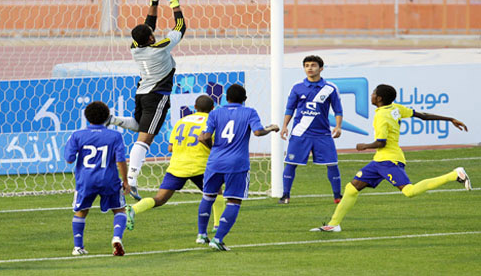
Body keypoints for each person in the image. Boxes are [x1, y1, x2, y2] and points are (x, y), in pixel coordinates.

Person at [311, 84, 471, 232]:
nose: (371, 95)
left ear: (379, 99)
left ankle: (455, 174)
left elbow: (381, 142)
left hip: (389, 161)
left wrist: (365, 146)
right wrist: (449, 119)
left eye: (373, 93)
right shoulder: (394, 108)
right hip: (380, 161)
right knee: (352, 188)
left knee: (409, 191)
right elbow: (422, 115)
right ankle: (334, 224)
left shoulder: (382, 116)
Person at [105, 0, 186, 201]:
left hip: (141, 93)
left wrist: (153, 1)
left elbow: (147, 25)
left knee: (141, 127)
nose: (153, 31)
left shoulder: (135, 47)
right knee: (144, 140)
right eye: (151, 33)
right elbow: (180, 28)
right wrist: (175, 3)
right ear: (150, 38)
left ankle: (110, 119)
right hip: (156, 96)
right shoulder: (160, 48)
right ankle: (131, 181)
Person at [197, 84, 279, 251]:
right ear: (245, 99)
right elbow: (257, 132)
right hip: (237, 163)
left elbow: (203, 137)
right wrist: (270, 128)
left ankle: (202, 235)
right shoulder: (249, 112)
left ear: (226, 98)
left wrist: (214, 148)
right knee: (234, 200)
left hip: (215, 162)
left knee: (208, 196)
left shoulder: (215, 113)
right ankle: (217, 239)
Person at [126, 95, 226, 232]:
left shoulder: (182, 121)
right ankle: (217, 225)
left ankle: (133, 209)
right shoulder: (212, 121)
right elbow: (211, 141)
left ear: (195, 107)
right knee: (217, 193)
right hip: (200, 166)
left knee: (160, 198)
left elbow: (170, 148)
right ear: (213, 108)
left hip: (177, 167)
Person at [65, 101, 130, 256]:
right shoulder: (115, 135)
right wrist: (125, 181)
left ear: (87, 117)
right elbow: (120, 160)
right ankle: (116, 237)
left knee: (81, 211)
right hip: (109, 179)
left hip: (86, 180)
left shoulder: (77, 135)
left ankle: (78, 247)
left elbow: (69, 159)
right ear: (107, 117)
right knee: (119, 210)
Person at [279, 55, 343, 204]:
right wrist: (284, 126)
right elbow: (290, 108)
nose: (309, 68)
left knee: (332, 163)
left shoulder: (330, 88)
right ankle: (285, 195)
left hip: (323, 134)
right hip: (300, 133)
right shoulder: (297, 87)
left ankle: (337, 196)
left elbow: (338, 110)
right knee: (290, 163)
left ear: (321, 68)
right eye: (306, 65)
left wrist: (338, 127)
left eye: (313, 65)